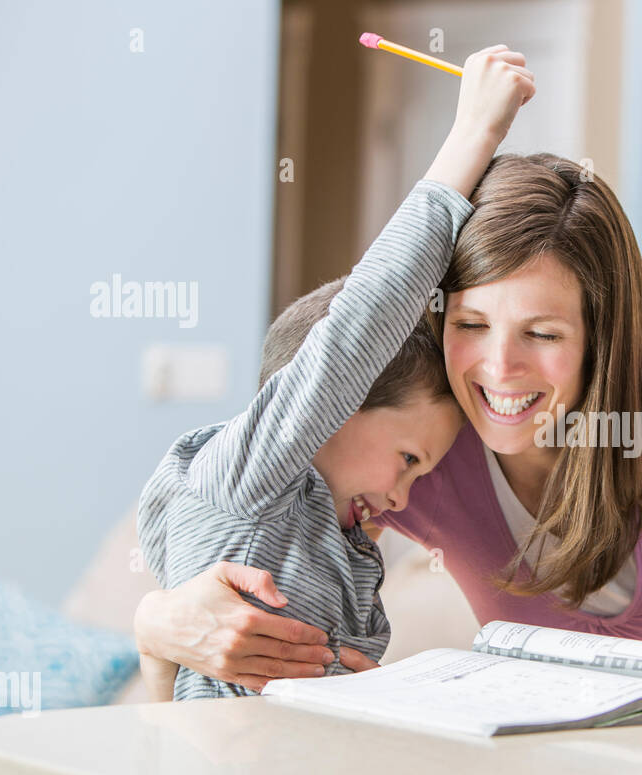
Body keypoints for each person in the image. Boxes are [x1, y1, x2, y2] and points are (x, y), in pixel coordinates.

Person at [132, 116, 642, 700]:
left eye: (543, 334)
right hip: (575, 750)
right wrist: (159, 621)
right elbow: (259, 531)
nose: (500, 370)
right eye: (471, 325)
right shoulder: (425, 443)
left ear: (602, 337)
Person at [133, 44, 536, 701]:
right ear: (336, 400)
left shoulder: (332, 538)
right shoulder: (247, 482)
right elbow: (367, 317)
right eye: (408, 459)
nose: (402, 498)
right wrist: (475, 131)